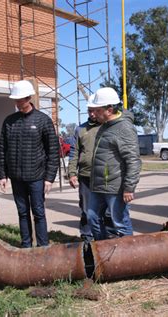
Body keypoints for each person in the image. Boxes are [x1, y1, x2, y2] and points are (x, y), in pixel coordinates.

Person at [0, 80, 59, 248]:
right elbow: (3, 149)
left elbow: (53, 151)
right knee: (22, 212)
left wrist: (49, 178)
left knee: (38, 212)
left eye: (20, 100)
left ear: (29, 98)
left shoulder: (43, 120)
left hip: (37, 177)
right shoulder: (9, 121)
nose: (17, 104)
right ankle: (26, 245)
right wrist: (3, 174)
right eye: (15, 100)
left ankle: (43, 246)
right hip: (17, 177)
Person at [86, 87, 141, 240]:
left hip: (115, 187)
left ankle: (130, 256)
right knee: (92, 218)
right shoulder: (104, 126)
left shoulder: (124, 128)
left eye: (97, 110)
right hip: (98, 186)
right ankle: (103, 251)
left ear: (109, 110)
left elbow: (133, 160)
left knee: (120, 223)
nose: (93, 114)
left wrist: (129, 187)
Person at [67, 95, 101, 242]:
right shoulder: (80, 129)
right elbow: (74, 152)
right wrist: (72, 173)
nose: (92, 114)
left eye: (94, 111)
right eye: (89, 111)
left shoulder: (106, 127)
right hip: (85, 176)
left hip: (103, 176)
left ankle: (103, 238)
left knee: (103, 210)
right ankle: (87, 238)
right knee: (86, 209)